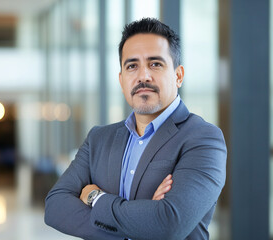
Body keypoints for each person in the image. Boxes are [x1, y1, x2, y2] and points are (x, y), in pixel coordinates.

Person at [44, 18, 226, 240]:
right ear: (122, 80)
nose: (143, 76)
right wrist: (142, 223)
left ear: (178, 76)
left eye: (155, 64)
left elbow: (169, 224)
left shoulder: (203, 138)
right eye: (132, 66)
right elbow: (55, 207)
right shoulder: (99, 139)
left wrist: (95, 198)